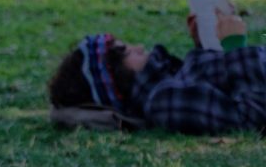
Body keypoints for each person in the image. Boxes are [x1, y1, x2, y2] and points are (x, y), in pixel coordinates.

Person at [48, 7, 266, 134]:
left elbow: (216, 85)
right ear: (115, 77)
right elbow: (250, 116)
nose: (139, 48)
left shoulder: (165, 79)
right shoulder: (162, 101)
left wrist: (206, 43)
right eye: (126, 52)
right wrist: (235, 46)